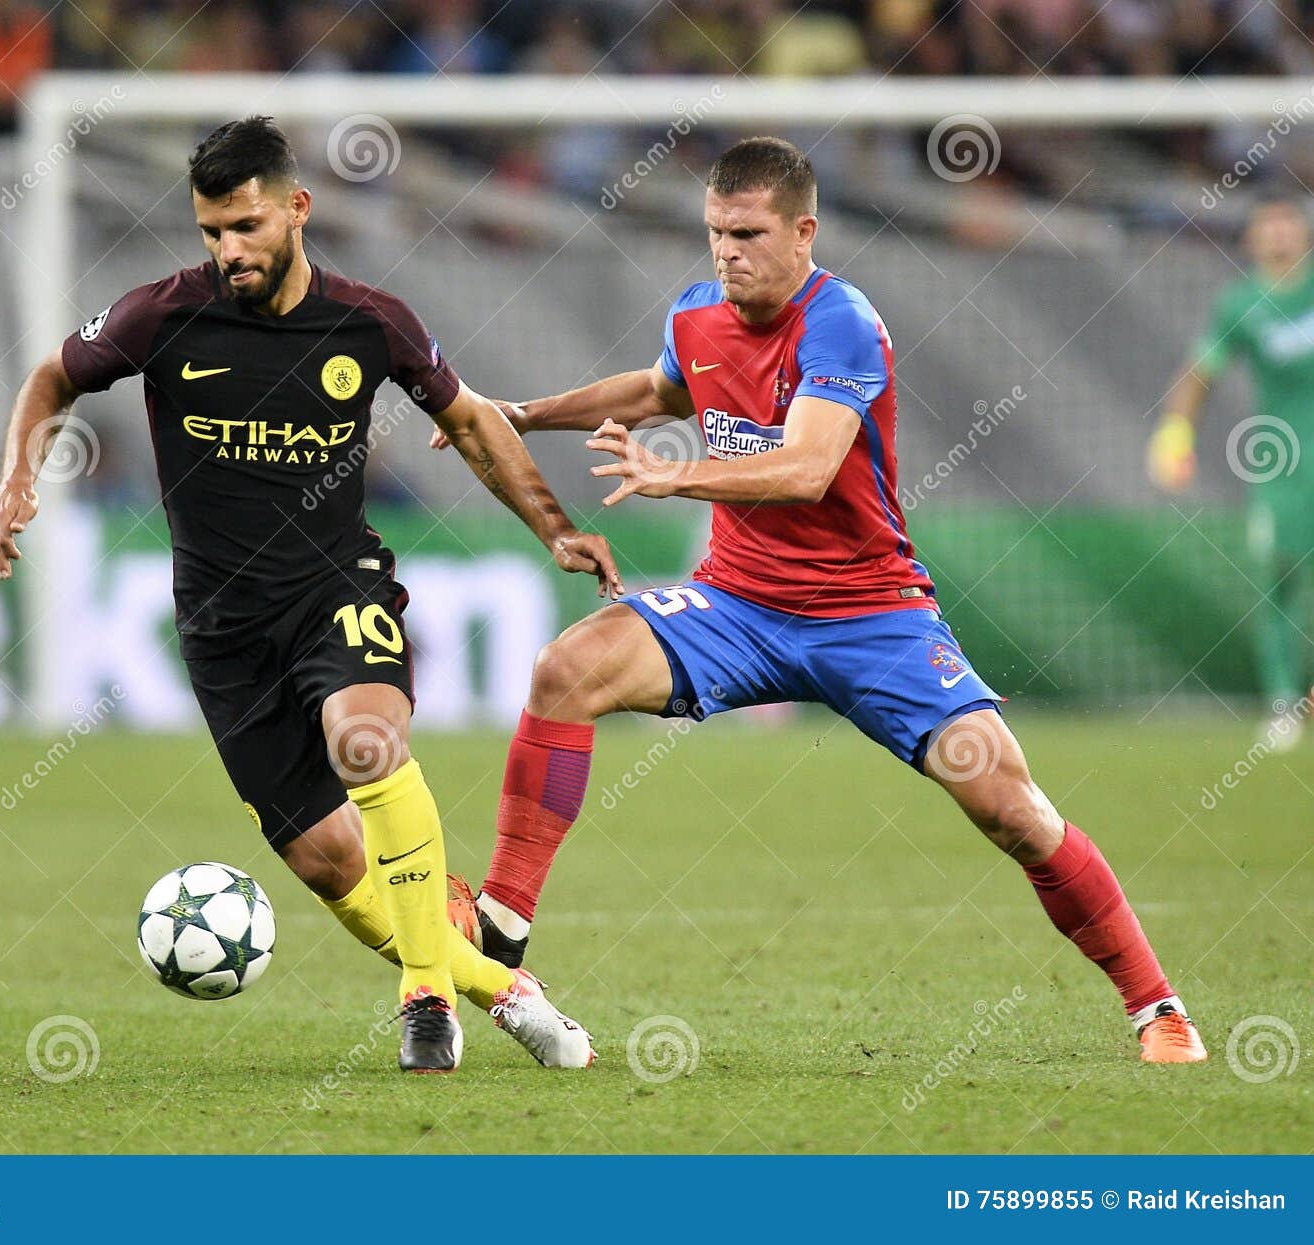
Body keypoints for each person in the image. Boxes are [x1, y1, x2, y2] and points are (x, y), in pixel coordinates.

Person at [437, 136, 1207, 1064]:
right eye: (717, 232)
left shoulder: (840, 321)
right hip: (738, 605)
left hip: (870, 614)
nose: (728, 252)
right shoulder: (697, 312)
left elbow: (806, 469)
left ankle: (1157, 1006)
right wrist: (518, 414)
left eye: (749, 234)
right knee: (567, 668)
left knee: (1009, 805)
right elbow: (656, 389)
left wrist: (674, 479)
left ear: (804, 231)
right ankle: (504, 929)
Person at [0, 117, 611, 1073]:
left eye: (245, 225)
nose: (228, 250)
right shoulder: (162, 316)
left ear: (297, 209)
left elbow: (473, 424)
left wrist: (555, 527)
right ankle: (504, 988)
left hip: (335, 587)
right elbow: (50, 379)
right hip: (223, 629)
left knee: (365, 740)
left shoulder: (370, 321)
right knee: (330, 862)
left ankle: (427, 996)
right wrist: (16, 477)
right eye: (210, 232)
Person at [1150, 193, 1314, 746]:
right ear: (1252, 238)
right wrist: (1176, 434)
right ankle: (1283, 705)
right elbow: (1199, 375)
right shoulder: (1241, 304)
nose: (1279, 235)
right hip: (1283, 468)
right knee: (1278, 581)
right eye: (1268, 225)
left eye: (1288, 222)